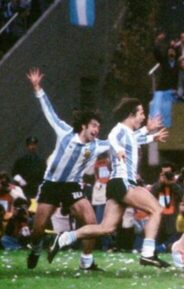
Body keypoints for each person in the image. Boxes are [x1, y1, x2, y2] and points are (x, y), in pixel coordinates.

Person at [49, 96, 170, 268]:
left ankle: (64, 238)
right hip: (123, 182)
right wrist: (119, 149)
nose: (144, 117)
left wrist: (151, 136)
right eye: (141, 113)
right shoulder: (119, 130)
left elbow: (134, 139)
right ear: (131, 114)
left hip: (116, 184)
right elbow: (113, 137)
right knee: (156, 209)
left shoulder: (128, 133)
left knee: (106, 228)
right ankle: (148, 253)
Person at [24, 68, 110, 271]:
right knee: (38, 229)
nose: (97, 130)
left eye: (98, 127)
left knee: (91, 221)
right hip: (51, 184)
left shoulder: (96, 145)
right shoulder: (64, 132)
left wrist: (146, 134)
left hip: (72, 185)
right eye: (94, 125)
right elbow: (49, 112)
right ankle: (36, 248)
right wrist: (38, 89)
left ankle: (86, 262)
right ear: (83, 125)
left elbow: (116, 142)